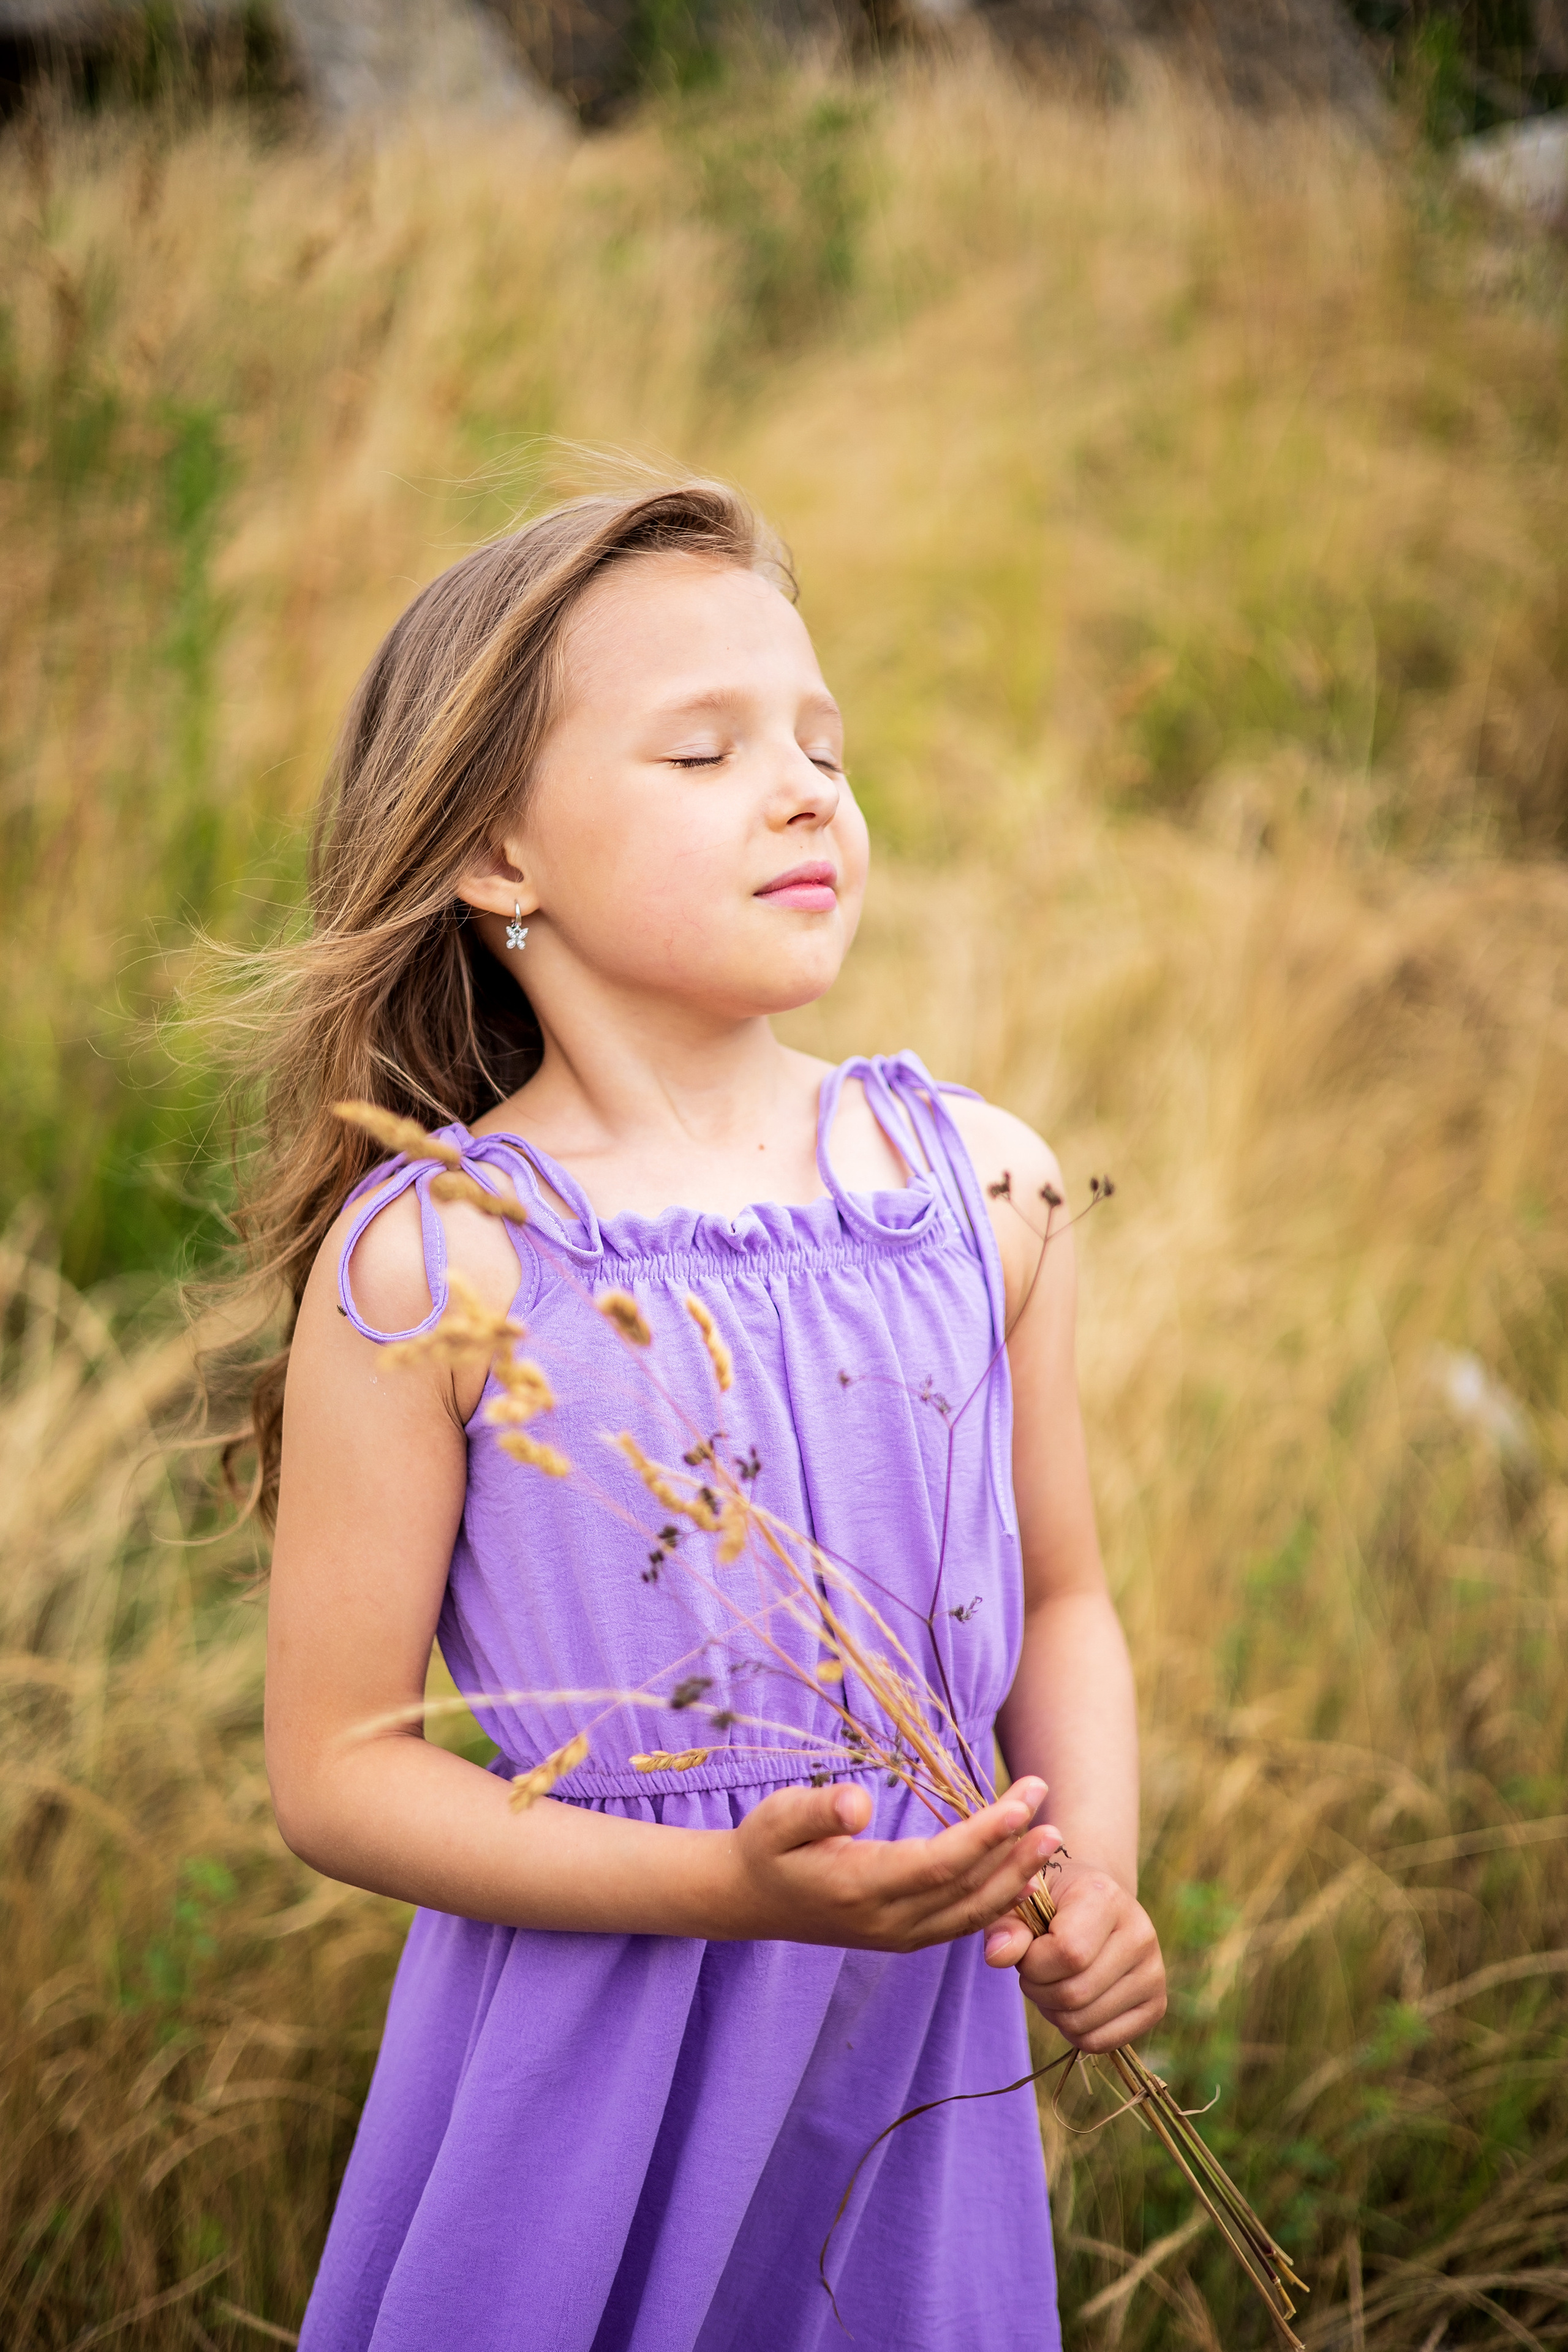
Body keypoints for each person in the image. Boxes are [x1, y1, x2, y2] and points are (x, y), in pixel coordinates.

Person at [252, 481, 1166, 2352]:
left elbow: (1064, 1600)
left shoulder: (981, 1190)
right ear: (498, 855)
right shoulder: (442, 1260)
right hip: (593, 2072)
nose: (806, 787)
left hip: (905, 2076)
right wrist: (716, 1885)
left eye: (822, 743)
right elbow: (334, 1766)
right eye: (705, 748)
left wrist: (1101, 1873)